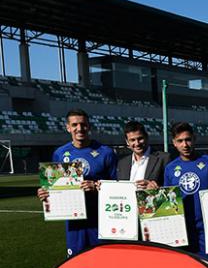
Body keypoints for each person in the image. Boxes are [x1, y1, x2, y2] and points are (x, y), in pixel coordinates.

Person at [37, 109, 117, 257]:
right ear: (68, 127)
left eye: (83, 124)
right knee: (76, 263)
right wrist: (46, 194)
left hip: (101, 220)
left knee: (104, 262)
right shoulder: (60, 153)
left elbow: (117, 187)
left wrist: (97, 187)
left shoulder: (106, 152)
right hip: (74, 222)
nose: (79, 128)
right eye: (75, 125)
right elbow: (54, 185)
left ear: (89, 126)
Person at [164, 122, 208, 260]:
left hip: (207, 229)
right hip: (181, 231)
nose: (185, 145)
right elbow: (168, 200)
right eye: (180, 141)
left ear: (194, 139)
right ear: (174, 143)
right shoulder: (170, 168)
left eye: (188, 139)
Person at [116, 121, 170, 189]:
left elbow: (172, 189)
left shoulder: (164, 159)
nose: (137, 143)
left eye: (140, 139)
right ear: (127, 142)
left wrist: (156, 189)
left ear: (146, 137)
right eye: (132, 140)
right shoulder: (122, 163)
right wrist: (103, 187)